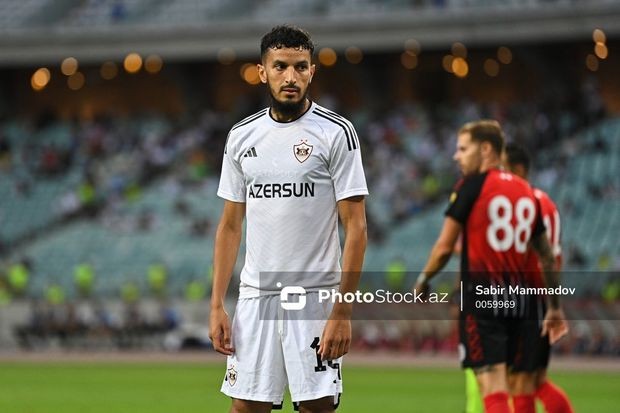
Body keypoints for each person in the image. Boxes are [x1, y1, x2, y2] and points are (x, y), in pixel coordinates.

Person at [209, 25, 368, 413]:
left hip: (314, 299)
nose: (291, 77)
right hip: (256, 297)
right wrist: (216, 304)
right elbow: (230, 225)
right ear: (262, 71)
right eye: (280, 66)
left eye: (300, 67)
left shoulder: (337, 133)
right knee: (245, 408)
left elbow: (357, 228)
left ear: (312, 70)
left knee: (317, 407)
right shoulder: (241, 137)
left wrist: (343, 311)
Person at [413, 120, 567, 413]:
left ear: (485, 149)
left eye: (463, 149)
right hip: (521, 304)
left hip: (483, 302)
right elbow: (546, 255)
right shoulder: (526, 191)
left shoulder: (471, 187)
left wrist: (423, 280)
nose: (457, 156)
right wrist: (555, 307)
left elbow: (445, 246)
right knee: (516, 385)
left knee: (492, 387)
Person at [503, 143, 574, 413]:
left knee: (520, 382)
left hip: (526, 300)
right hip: (538, 299)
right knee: (533, 380)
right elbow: (555, 257)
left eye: (504, 169)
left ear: (518, 170)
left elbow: (547, 259)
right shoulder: (545, 203)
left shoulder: (526, 204)